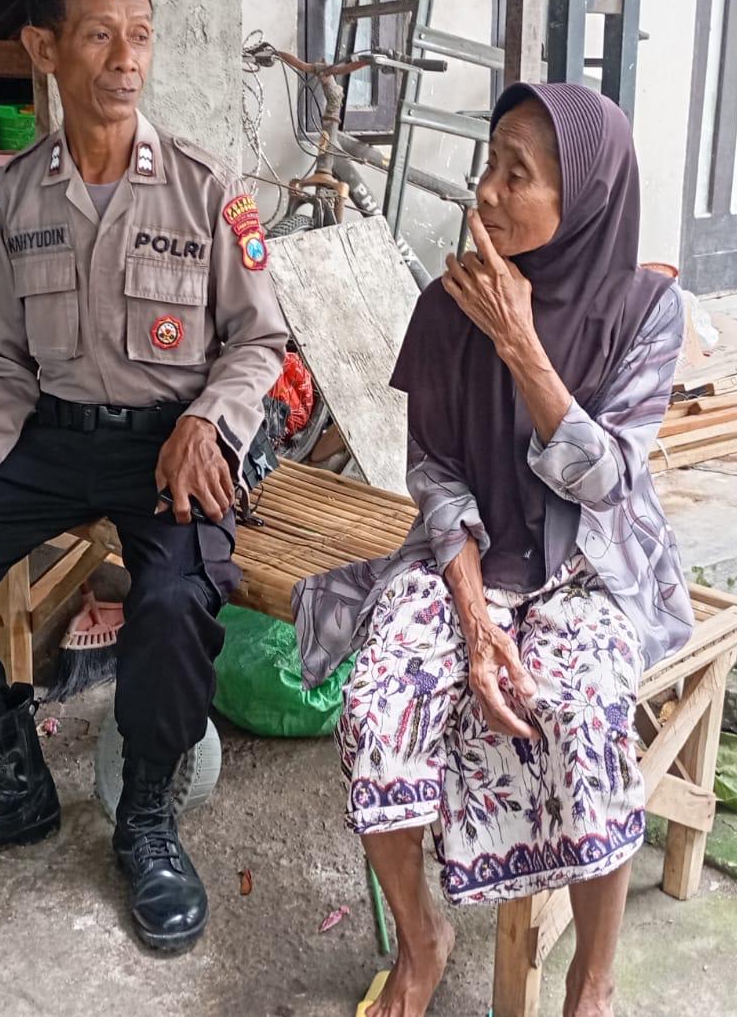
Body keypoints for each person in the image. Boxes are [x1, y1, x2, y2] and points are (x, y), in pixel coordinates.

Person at [0, 0, 286, 952]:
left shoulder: (204, 188)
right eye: (99, 35)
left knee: (173, 603)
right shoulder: (15, 197)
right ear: (43, 48)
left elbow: (260, 341)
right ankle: (11, 786)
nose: (126, 59)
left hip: (172, 441)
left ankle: (147, 816)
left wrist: (207, 422)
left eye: (140, 36)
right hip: (49, 436)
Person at [293, 83, 693, 1017]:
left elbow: (605, 482)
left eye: (519, 175)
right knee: (377, 702)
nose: (487, 191)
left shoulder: (646, 311)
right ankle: (422, 938)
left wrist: (522, 343)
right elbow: (434, 476)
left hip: (588, 568)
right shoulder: (447, 307)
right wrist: (475, 627)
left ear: (583, 197)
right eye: (490, 163)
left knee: (588, 712)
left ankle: (592, 981)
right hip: (466, 561)